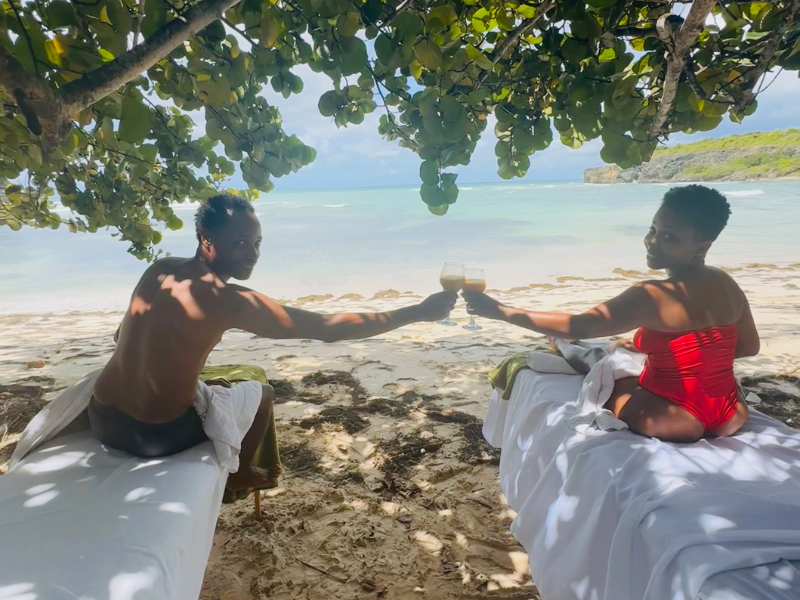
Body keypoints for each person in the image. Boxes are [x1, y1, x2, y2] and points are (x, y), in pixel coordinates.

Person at [90, 194, 456, 490]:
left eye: (257, 243)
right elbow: (328, 327)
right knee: (262, 393)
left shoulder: (159, 269)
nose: (252, 253)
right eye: (240, 243)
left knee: (213, 384)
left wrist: (188, 377)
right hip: (153, 436)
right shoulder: (228, 301)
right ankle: (241, 476)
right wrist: (416, 312)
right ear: (206, 240)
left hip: (102, 416)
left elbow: (122, 337)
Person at [464, 185, 760, 443]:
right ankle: (570, 346)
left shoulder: (654, 294)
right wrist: (686, 355)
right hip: (730, 414)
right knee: (618, 351)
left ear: (701, 247)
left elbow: (580, 324)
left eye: (668, 237)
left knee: (605, 366)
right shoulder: (726, 284)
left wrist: (500, 311)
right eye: (653, 229)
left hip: (674, 418)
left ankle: (561, 347)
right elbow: (749, 346)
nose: (652, 241)